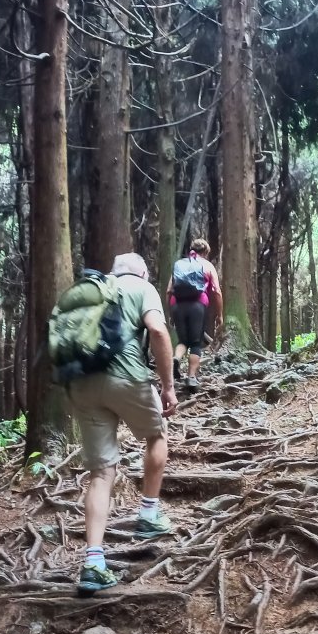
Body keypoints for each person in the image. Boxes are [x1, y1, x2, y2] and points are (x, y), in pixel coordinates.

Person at [67, 253, 178, 595]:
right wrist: (168, 386)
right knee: (157, 435)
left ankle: (93, 563)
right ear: (143, 272)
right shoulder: (142, 287)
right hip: (126, 376)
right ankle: (149, 514)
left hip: (81, 382)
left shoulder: (91, 289)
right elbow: (157, 330)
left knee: (101, 474)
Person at [167, 238, 223, 391]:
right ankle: (191, 378)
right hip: (197, 305)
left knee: (183, 340)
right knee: (195, 343)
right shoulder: (207, 265)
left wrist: (170, 313)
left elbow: (169, 290)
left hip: (177, 305)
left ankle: (176, 358)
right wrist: (219, 314)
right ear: (205, 252)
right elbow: (216, 291)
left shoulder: (180, 265)